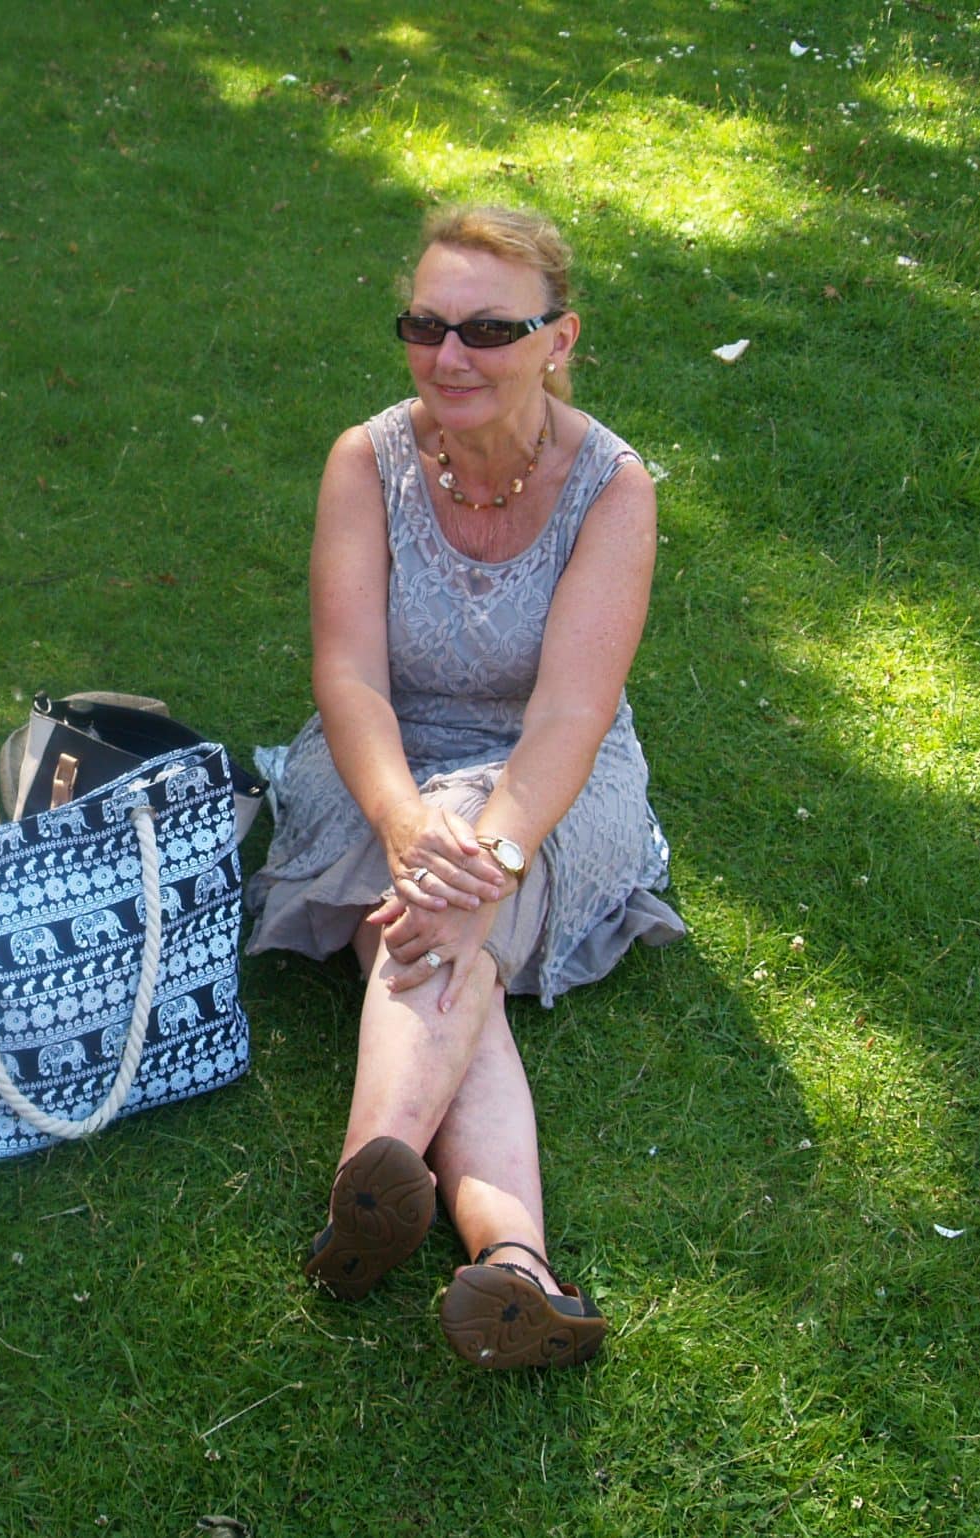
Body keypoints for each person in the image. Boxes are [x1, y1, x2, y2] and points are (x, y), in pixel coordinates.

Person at [247, 205, 683, 1369]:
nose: (449, 356)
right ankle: (517, 1262)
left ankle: (367, 1183)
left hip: (547, 776)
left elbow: (569, 714)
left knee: (430, 921)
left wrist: (487, 859)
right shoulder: (367, 458)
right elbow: (350, 675)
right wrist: (404, 821)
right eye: (424, 325)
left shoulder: (611, 486)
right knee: (438, 925)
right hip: (383, 756)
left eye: (488, 330)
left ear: (558, 338)